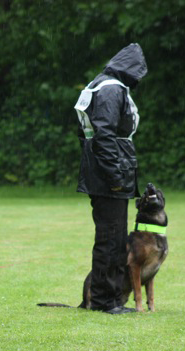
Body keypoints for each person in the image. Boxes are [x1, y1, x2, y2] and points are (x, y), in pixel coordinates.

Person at [74, 43, 147, 314]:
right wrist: (116, 176)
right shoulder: (111, 89)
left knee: (112, 237)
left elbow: (86, 133)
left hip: (98, 170)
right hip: (109, 174)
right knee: (111, 239)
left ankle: (112, 298)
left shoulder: (97, 85)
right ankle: (106, 301)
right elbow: (105, 135)